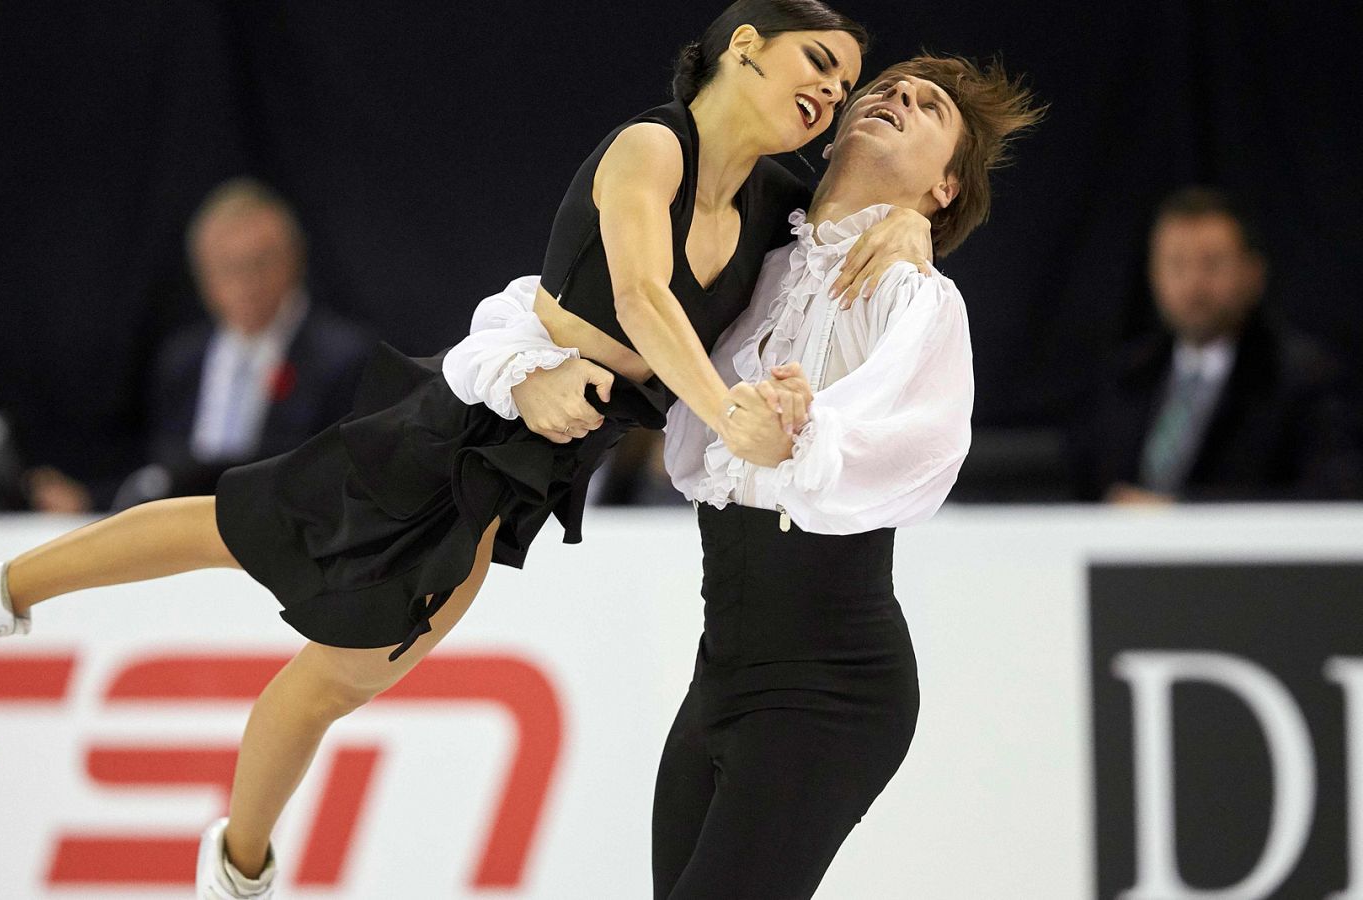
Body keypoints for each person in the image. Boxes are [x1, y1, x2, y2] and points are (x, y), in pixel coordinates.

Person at [0, 5, 931, 899]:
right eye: (817, 66)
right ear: (744, 44)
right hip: (461, 432)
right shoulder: (655, 147)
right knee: (249, 530)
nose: (832, 96)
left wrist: (918, 227)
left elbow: (856, 215)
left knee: (341, 672)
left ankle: (237, 865)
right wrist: (699, 401)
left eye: (846, 88)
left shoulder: (771, 196)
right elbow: (641, 295)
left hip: (522, 472)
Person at [444, 54, 1042, 897]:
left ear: (945, 188)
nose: (893, 96)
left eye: (927, 106)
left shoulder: (918, 297)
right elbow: (567, 300)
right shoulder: (744, 254)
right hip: (719, 676)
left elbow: (922, 451)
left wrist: (800, 440)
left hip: (832, 688)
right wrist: (517, 366)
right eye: (885, 88)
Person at [27, 179, 375, 513]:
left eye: (260, 262)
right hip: (184, 542)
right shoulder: (183, 359)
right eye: (228, 267)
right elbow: (158, 473)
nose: (246, 283)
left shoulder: (342, 359)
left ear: (294, 260)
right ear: (203, 276)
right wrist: (89, 499)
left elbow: (335, 477)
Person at [1070, 187, 1362, 503]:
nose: (1194, 283)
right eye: (1176, 264)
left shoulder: (1302, 379)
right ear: (1153, 273)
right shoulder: (1127, 375)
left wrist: (1184, 512)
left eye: (1212, 263)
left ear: (1254, 273)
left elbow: (1330, 495)